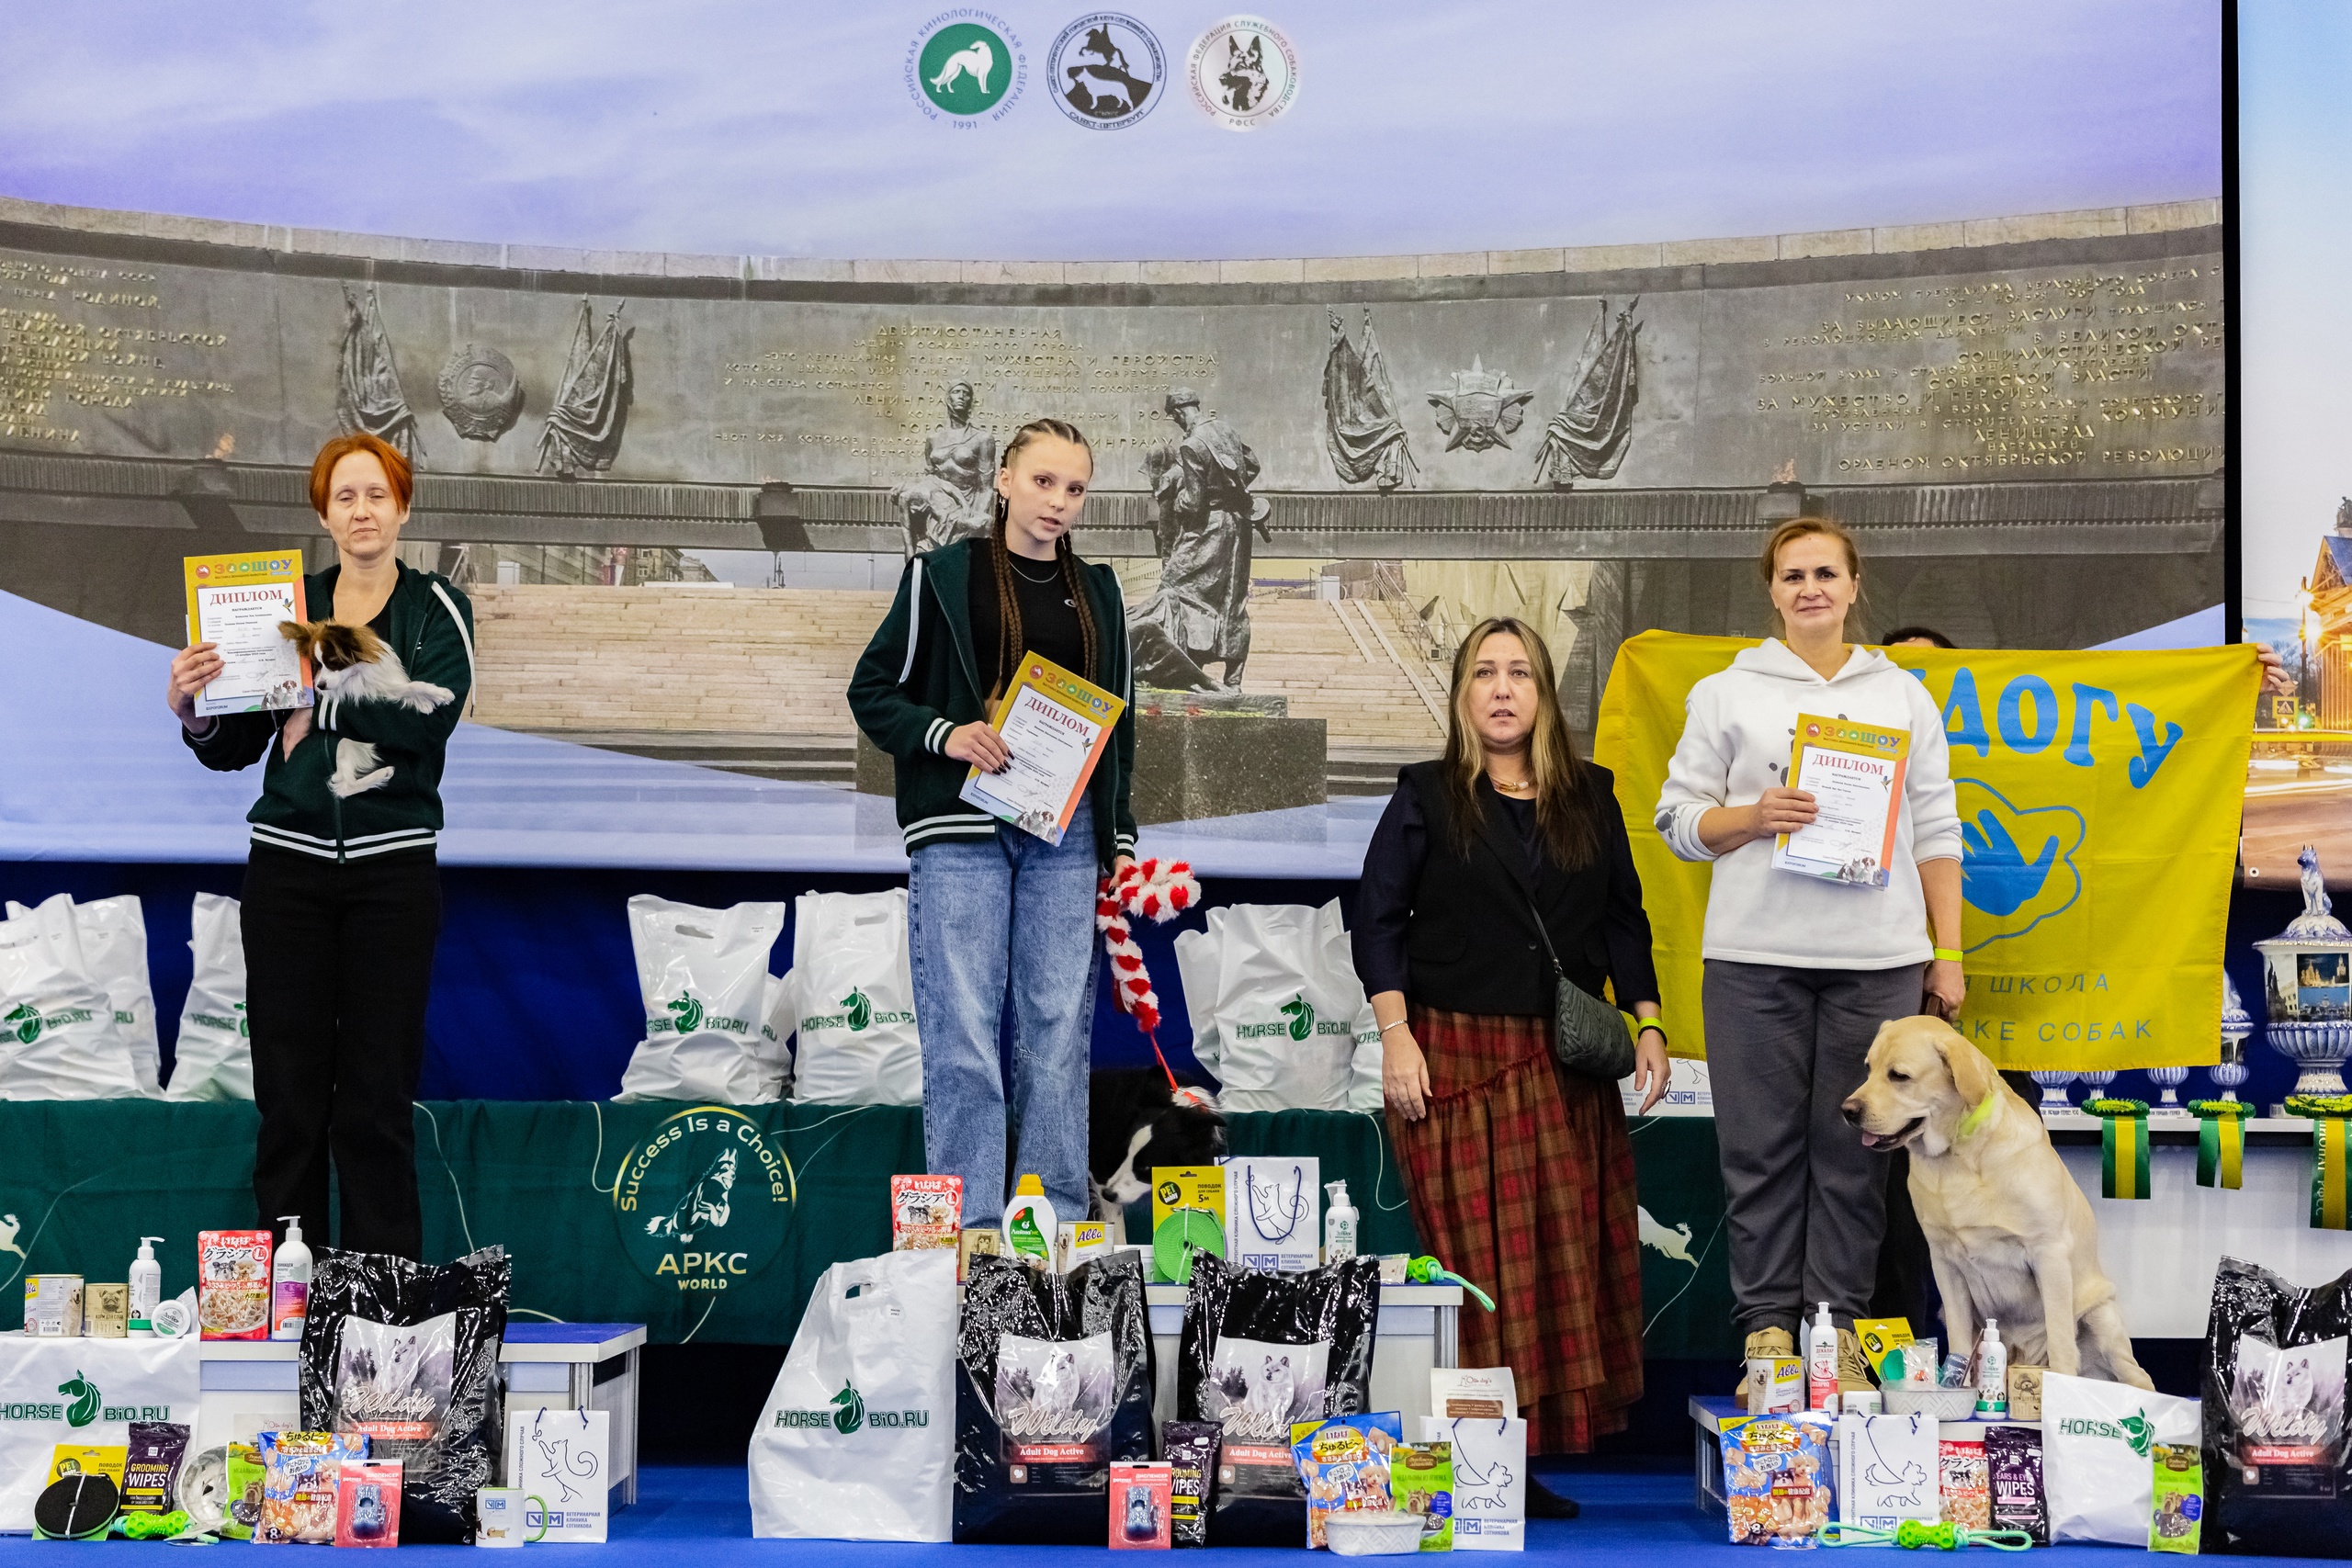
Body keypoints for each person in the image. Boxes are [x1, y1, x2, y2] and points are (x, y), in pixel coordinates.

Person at [1353, 616, 1668, 1500]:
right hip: (1451, 1057)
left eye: (1520, 673)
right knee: (1479, 1271)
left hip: (1564, 1065)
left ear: (1543, 695)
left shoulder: (1591, 796)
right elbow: (1376, 920)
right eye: (1485, 673)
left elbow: (1623, 919)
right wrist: (1396, 1035)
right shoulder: (1425, 794)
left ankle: (1518, 1461)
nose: (1502, 688)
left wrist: (1647, 1021)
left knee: (1557, 1263)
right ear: (1461, 695)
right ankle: (1482, 1458)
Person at [1655, 516, 1962, 1393]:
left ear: (1855, 585)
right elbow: (1677, 821)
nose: (1810, 588)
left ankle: (1836, 1337)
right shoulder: (1726, 692)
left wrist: (1949, 954)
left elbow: (1937, 830)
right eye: (1793, 575)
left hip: (1880, 960)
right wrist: (1753, 817)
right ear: (1773, 590)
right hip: (1753, 960)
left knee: (1856, 1158)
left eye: (1826, 572)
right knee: (1760, 1153)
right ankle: (1766, 1338)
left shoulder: (1901, 695)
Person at [165, 432, 474, 1260]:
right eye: (346, 497)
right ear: (324, 513)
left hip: (392, 879)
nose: (362, 510)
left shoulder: (437, 606)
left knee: (374, 1104)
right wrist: (197, 709)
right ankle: (284, 1298)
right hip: (287, 875)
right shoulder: (284, 607)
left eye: (377, 494)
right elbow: (241, 740)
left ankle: (381, 1312)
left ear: (402, 506)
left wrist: (322, 700)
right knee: (290, 1100)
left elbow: (431, 710)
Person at [849, 417, 1138, 1228]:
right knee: (965, 1029)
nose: (1058, 502)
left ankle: (1053, 1222)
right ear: (1004, 479)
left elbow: (1120, 723)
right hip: (960, 823)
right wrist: (946, 733)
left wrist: (1116, 832)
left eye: (1075, 488)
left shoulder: (1101, 593)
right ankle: (971, 1230)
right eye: (1043, 481)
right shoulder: (941, 575)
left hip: (1066, 826)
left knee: (1056, 1030)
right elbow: (872, 691)